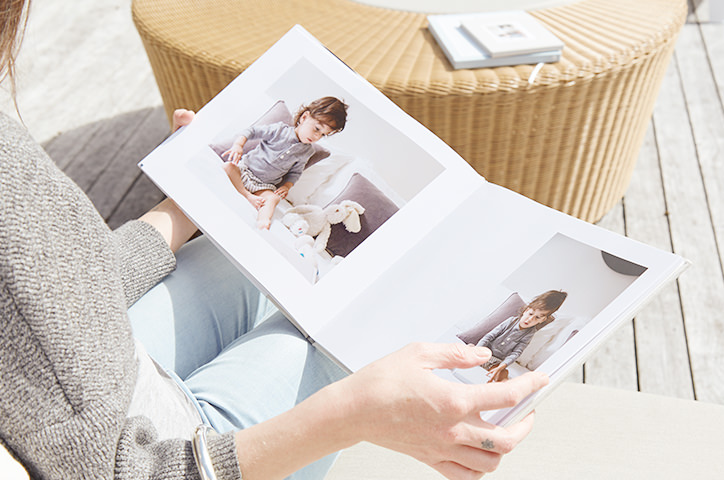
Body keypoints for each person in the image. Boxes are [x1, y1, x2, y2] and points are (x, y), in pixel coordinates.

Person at [0, 2, 549, 479]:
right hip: (154, 448)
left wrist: (185, 205)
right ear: (305, 115)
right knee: (329, 333)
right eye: (312, 126)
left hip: (87, 367)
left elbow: (50, 290)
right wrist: (354, 412)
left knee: (243, 262)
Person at [221, 97, 347, 229]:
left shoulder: (307, 152)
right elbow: (251, 131)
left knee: (273, 199)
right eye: (316, 129)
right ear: (304, 117)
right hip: (244, 171)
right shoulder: (279, 130)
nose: (317, 136)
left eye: (323, 135)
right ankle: (247, 196)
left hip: (263, 186)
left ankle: (263, 222)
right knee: (228, 167)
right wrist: (238, 145)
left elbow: (295, 172)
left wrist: (287, 186)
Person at [477, 290, 568, 383]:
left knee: (503, 374)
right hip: (483, 351)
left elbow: (516, 353)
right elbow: (489, 336)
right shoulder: (510, 321)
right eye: (531, 314)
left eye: (537, 317)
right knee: (470, 348)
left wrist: (503, 365)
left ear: (542, 320)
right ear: (526, 310)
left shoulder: (529, 334)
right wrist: (478, 348)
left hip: (496, 361)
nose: (530, 319)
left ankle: (505, 387)